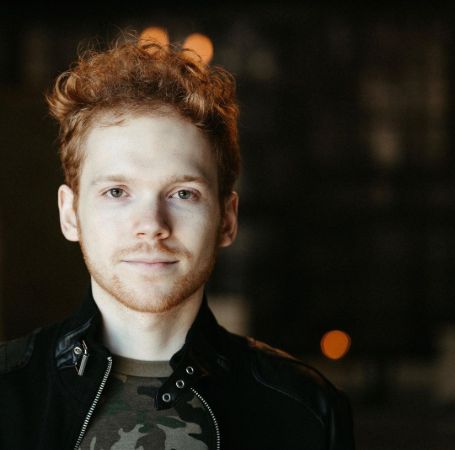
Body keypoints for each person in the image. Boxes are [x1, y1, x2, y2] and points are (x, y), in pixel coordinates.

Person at [0, 35, 355, 449]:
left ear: (227, 219)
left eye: (183, 193)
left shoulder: (306, 411)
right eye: (117, 192)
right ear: (69, 214)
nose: (152, 225)